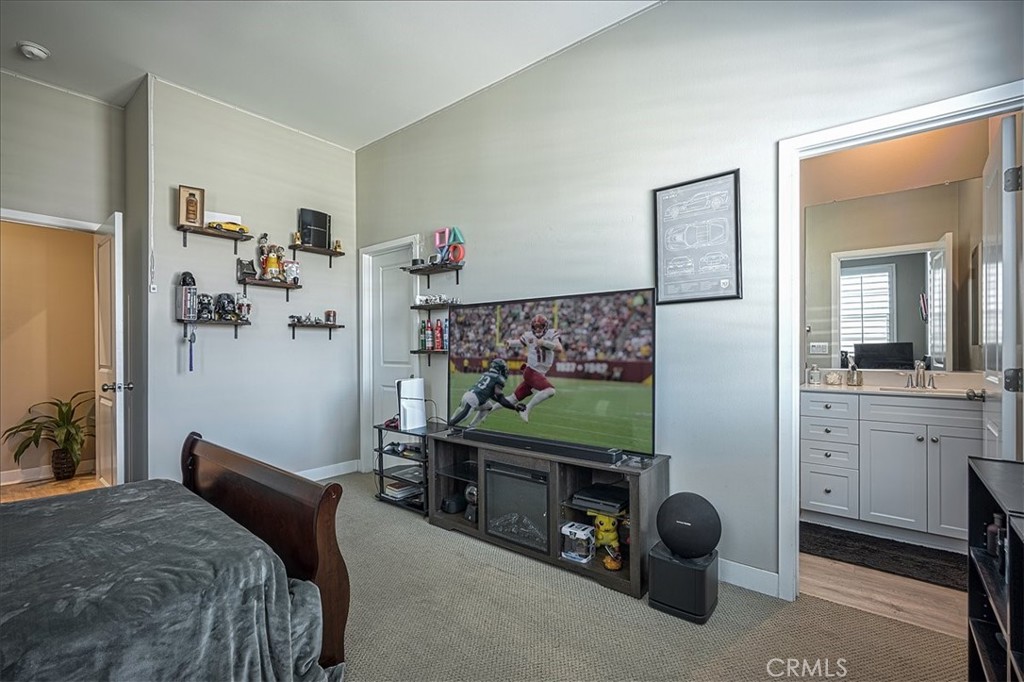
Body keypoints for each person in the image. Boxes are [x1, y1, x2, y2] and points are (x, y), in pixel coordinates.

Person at [504, 314, 563, 423]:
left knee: (513, 399)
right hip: (532, 370)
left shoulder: (552, 333)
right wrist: (510, 343)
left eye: (540, 326)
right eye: (536, 327)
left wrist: (544, 343)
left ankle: (489, 409)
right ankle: (526, 409)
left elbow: (559, 349)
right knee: (550, 391)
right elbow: (520, 342)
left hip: (540, 372)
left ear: (545, 326)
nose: (538, 329)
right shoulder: (528, 335)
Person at [449, 359, 524, 428]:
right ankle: (448, 428)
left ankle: (471, 426)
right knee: (454, 423)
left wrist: (512, 405)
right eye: (504, 369)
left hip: (467, 396)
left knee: (489, 406)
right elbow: (501, 399)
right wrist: (515, 407)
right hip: (473, 400)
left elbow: (492, 395)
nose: (505, 371)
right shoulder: (498, 379)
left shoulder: (487, 374)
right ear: (499, 369)